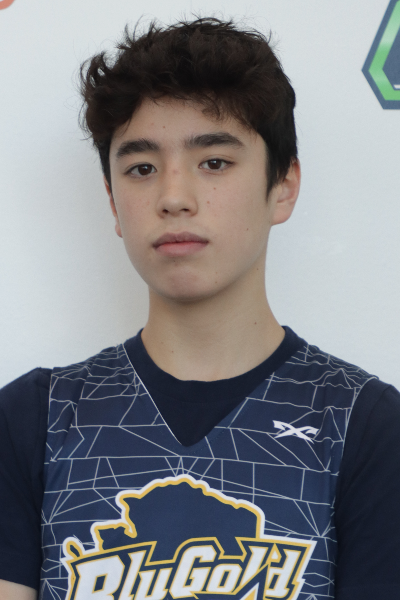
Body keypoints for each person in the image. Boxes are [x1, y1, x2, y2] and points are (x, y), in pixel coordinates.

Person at [0, 17, 399, 600]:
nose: (173, 197)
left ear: (283, 185)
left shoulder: (366, 425)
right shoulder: (33, 420)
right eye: (141, 168)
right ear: (113, 201)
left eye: (214, 162)